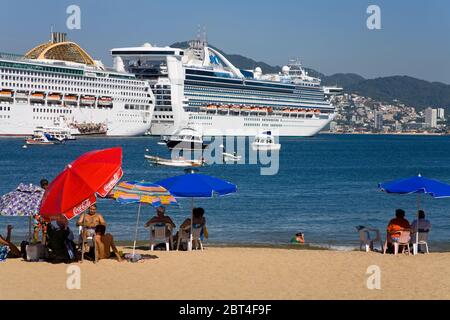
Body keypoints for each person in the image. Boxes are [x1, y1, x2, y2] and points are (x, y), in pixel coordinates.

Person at [32, 179, 50, 244]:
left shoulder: (49, 193)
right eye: (43, 185)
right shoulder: (38, 193)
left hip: (45, 214)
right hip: (38, 214)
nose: (45, 186)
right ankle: (35, 244)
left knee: (44, 232)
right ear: (41, 186)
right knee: (37, 230)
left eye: (46, 185)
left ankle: (43, 245)